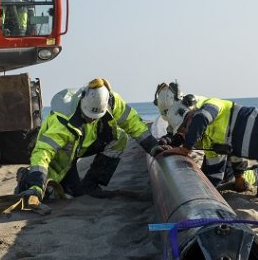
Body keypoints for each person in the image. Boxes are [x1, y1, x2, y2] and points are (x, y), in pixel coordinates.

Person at [16, 78, 162, 200]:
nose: (91, 120)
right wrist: (36, 185)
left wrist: (152, 146)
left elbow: (133, 123)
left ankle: (92, 183)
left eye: (95, 118)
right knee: (55, 192)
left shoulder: (111, 101)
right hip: (63, 154)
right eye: (88, 116)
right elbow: (43, 151)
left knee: (120, 137)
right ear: (82, 102)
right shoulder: (63, 120)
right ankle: (26, 177)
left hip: (84, 144)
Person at [161, 97, 258, 201]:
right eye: (182, 131)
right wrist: (238, 177)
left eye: (185, 127)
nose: (186, 132)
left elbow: (202, 118)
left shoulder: (211, 105)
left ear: (190, 114)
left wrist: (186, 149)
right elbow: (219, 168)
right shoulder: (209, 139)